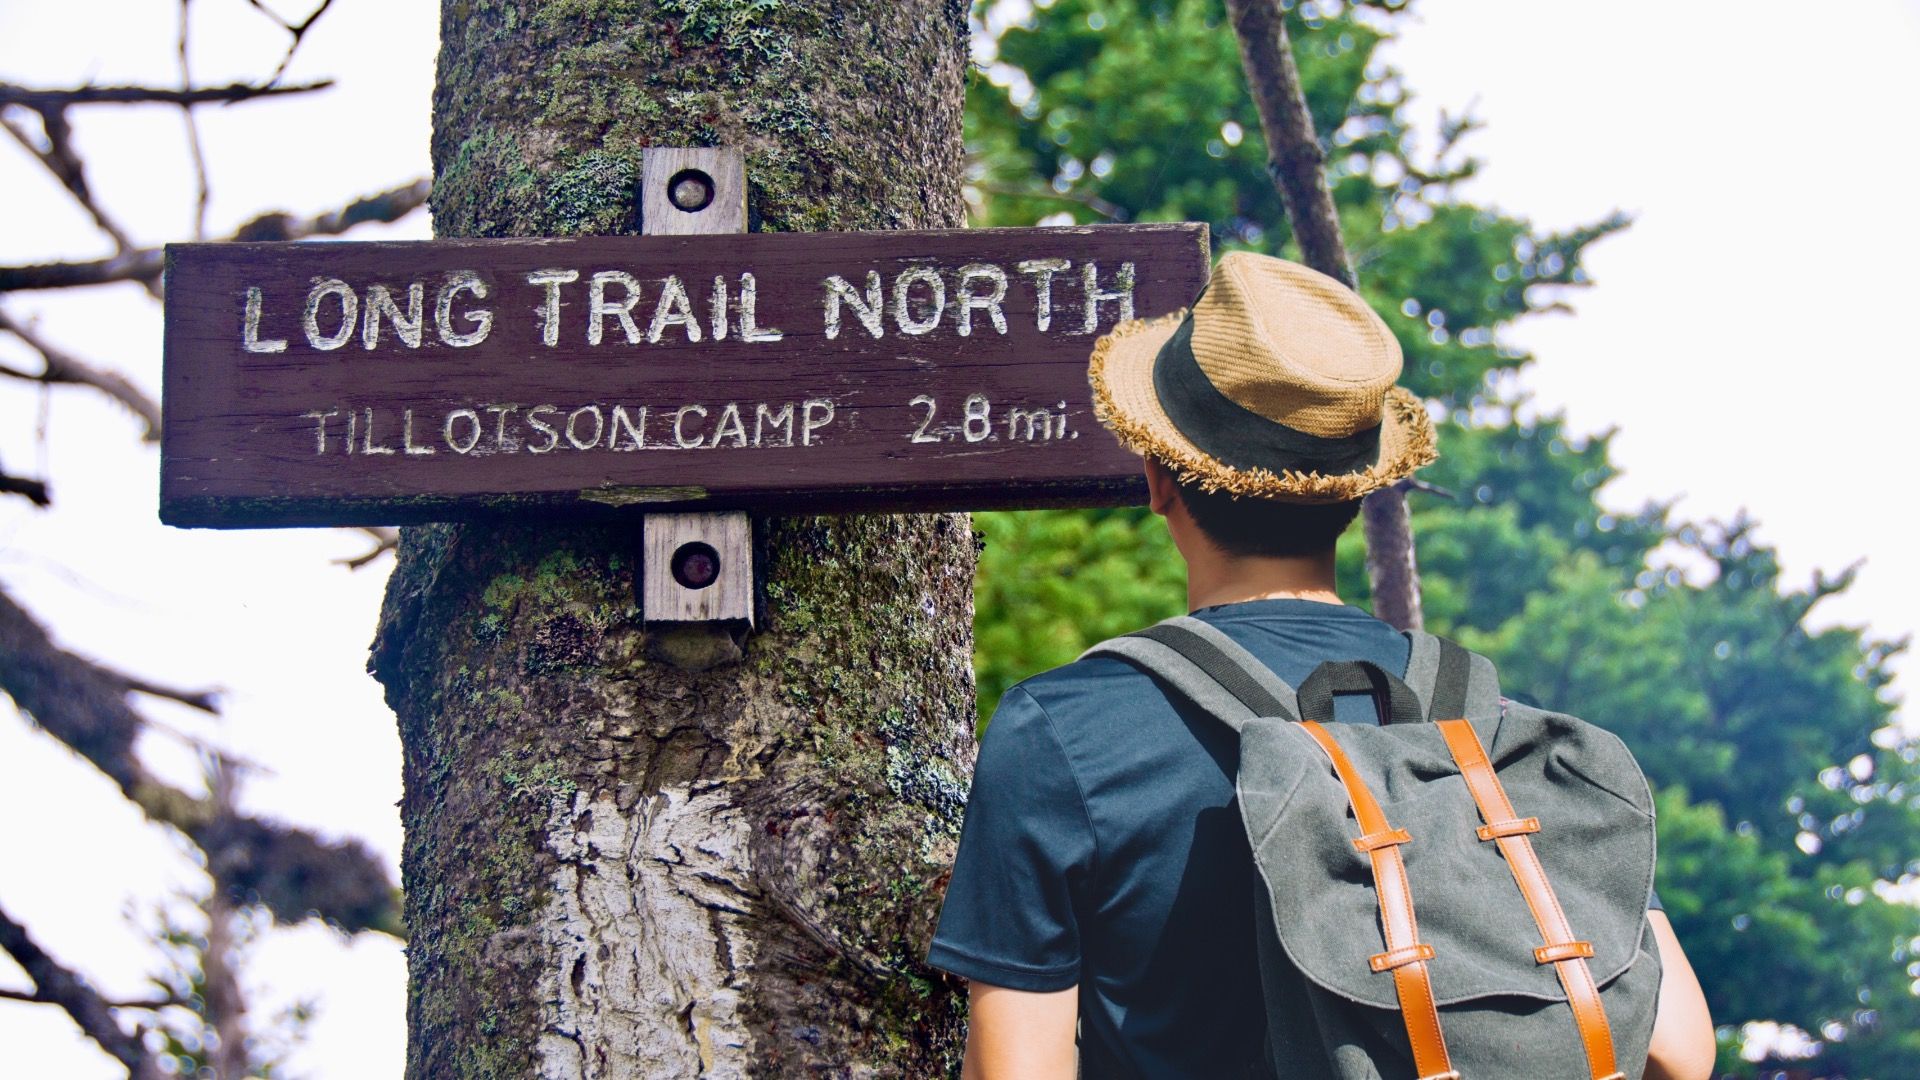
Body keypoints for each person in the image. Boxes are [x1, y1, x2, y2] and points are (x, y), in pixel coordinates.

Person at [926, 252, 1715, 1079]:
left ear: (1158, 479)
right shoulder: (1502, 738)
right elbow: (1680, 1050)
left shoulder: (1066, 732)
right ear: (1358, 492)